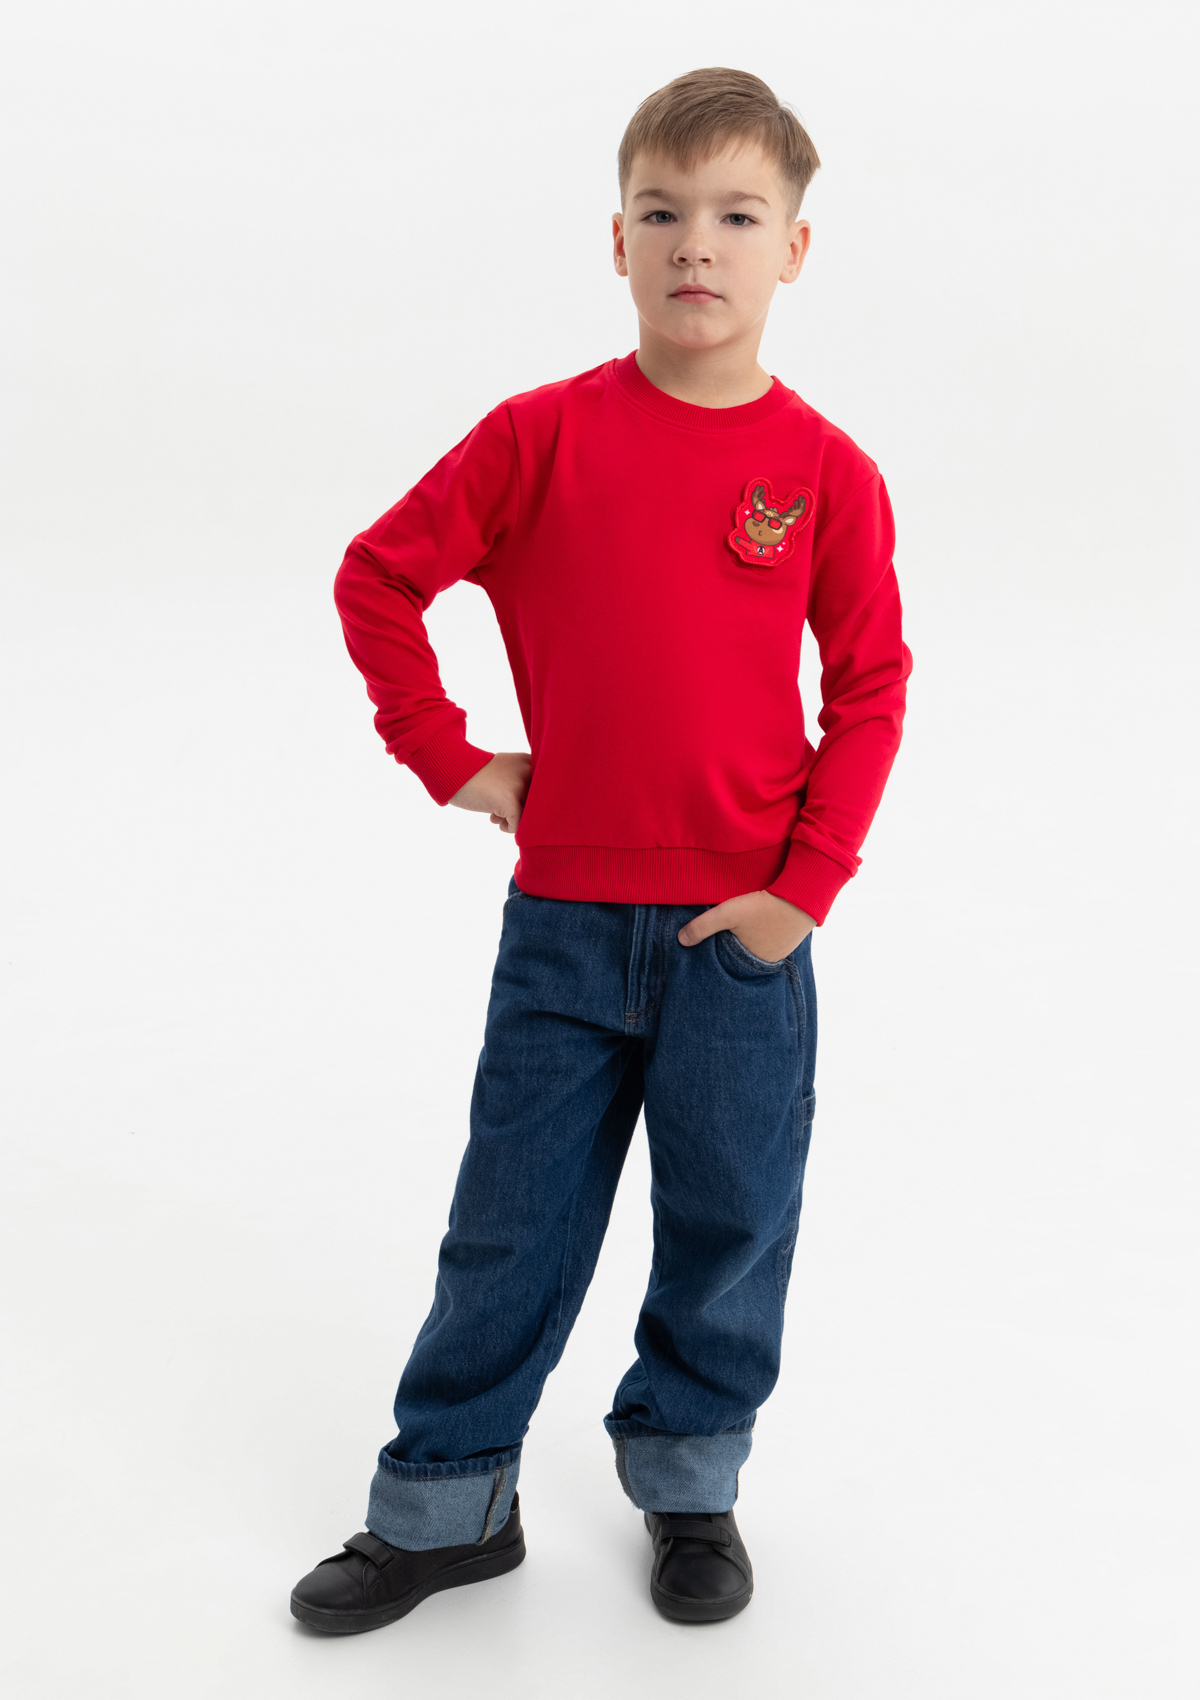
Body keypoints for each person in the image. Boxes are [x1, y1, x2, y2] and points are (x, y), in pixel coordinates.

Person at [290, 66, 911, 1634]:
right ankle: (447, 1503)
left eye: (737, 215)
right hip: (565, 918)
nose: (697, 243)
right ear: (616, 239)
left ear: (794, 249)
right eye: (662, 211)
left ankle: (692, 1484)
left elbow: (871, 687)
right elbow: (378, 576)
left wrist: (802, 892)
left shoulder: (826, 473)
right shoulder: (541, 438)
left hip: (738, 936)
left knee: (728, 1223)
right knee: (511, 1223)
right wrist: (450, 756)